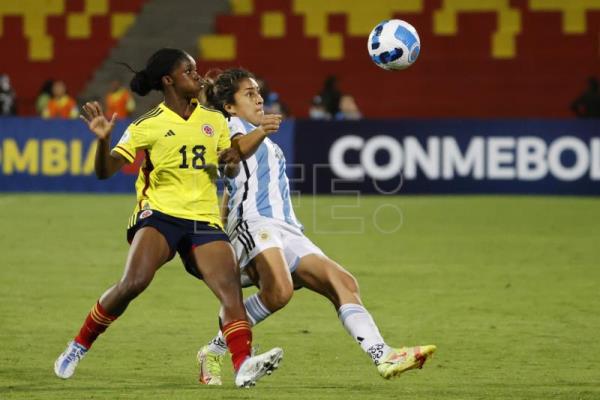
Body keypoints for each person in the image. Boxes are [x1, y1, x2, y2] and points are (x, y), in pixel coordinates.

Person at [53, 49, 283, 388]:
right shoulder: (148, 124)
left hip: (203, 219)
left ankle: (243, 364)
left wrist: (233, 158)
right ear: (168, 79)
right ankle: (78, 345)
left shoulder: (214, 120)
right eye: (188, 69)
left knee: (230, 293)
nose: (197, 73)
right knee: (134, 282)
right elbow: (105, 171)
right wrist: (103, 141)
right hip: (160, 214)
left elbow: (230, 161)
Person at [197, 68, 436, 385]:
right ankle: (216, 349)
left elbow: (229, 186)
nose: (259, 98)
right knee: (279, 292)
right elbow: (231, 157)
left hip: (286, 228)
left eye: (258, 92)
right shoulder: (226, 128)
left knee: (342, 281)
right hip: (253, 223)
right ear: (229, 106)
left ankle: (384, 356)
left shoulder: (260, 137)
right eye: (249, 94)